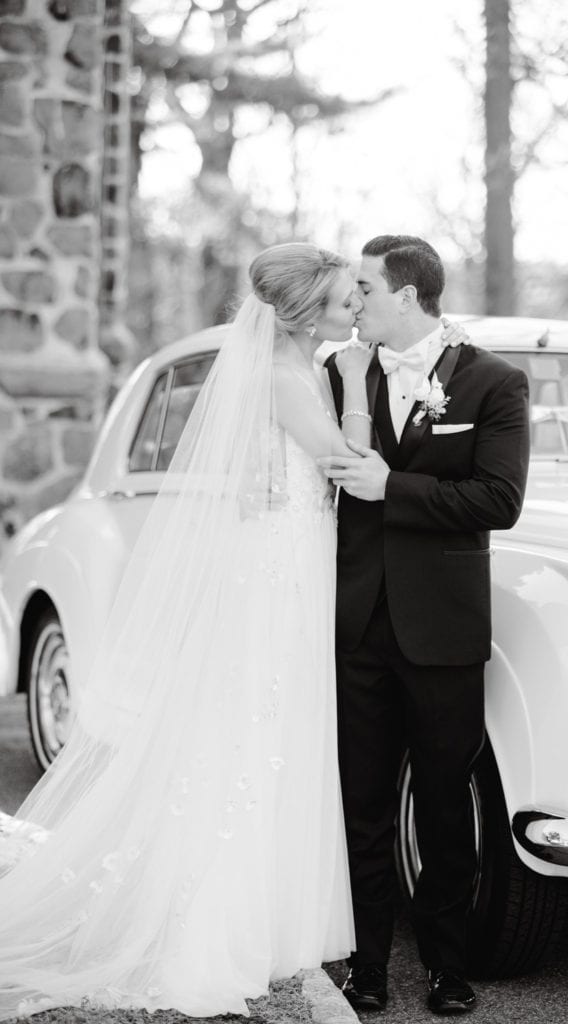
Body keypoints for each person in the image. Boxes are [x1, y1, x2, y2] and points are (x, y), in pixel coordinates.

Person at [0, 243, 377, 1020]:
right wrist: (364, 383)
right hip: (281, 565)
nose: (355, 309)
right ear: (307, 310)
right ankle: (224, 929)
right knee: (261, 729)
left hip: (290, 554)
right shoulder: (284, 373)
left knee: (273, 729)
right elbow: (344, 459)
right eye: (344, 299)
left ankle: (266, 919)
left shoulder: (294, 365)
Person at [320, 235, 530, 1016]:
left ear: (405, 295)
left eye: (365, 288)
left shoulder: (492, 382)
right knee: (361, 800)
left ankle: (447, 966)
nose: (354, 302)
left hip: (441, 630)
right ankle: (366, 964)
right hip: (357, 624)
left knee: (445, 803)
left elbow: (497, 501)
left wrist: (390, 486)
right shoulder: (338, 373)